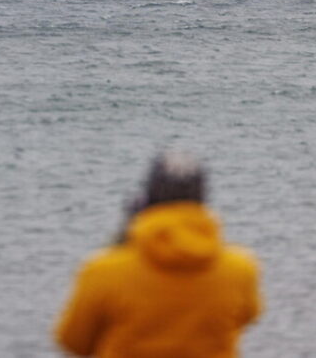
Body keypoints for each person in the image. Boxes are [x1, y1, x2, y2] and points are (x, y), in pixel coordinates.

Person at [54, 151, 263, 357]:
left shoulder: (103, 270)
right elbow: (249, 315)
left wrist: (123, 238)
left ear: (148, 197)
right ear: (203, 197)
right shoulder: (240, 268)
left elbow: (74, 342)